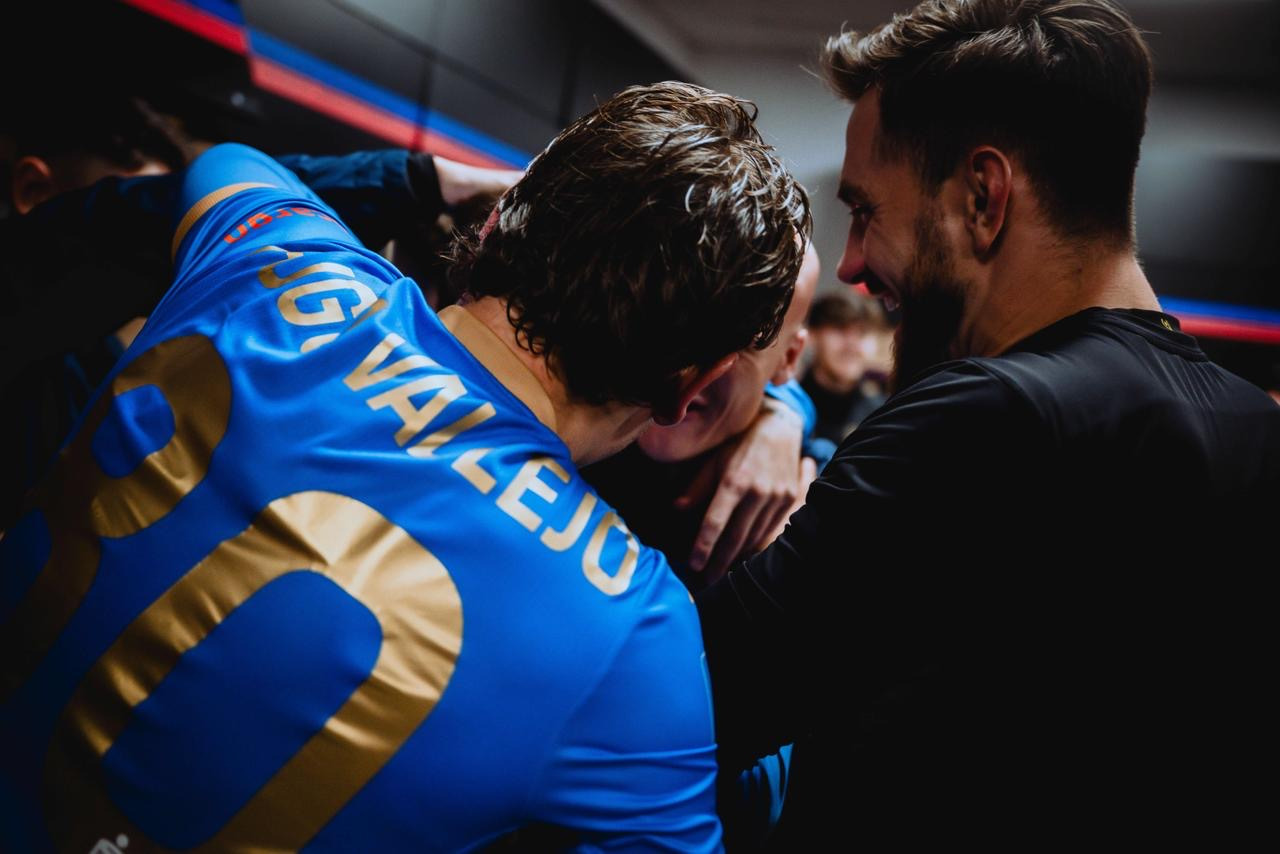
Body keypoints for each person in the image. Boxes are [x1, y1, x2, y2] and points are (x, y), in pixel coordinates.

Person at [0, 81, 810, 850]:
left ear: (496, 226)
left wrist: (429, 181)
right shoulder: (636, 629)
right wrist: (781, 415)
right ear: (692, 387)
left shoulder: (279, 258)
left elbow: (228, 163)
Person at [694, 0, 1280, 846]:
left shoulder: (984, 416)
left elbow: (687, 696)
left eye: (865, 211)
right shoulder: (1252, 427)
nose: (852, 263)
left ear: (983, 197)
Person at [584, 243, 820, 587]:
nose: (686, 368)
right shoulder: (563, 424)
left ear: (789, 358)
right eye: (668, 315)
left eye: (738, 342)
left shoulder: (812, 492)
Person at [800, 292, 887, 443]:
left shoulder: (882, 414)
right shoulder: (787, 406)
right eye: (840, 329)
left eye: (862, 333)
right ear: (812, 336)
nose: (852, 345)